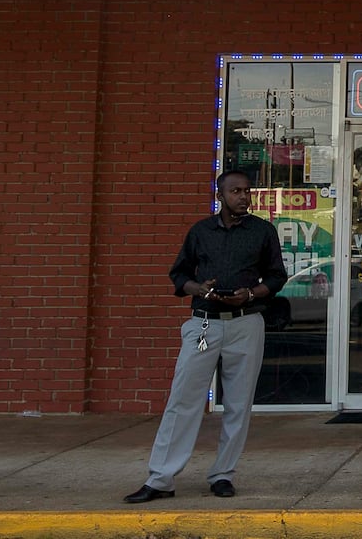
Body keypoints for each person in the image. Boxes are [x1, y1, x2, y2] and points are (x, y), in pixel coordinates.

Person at [123, 170, 288, 503]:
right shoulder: (200, 231)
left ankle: (223, 474)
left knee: (238, 404)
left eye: (247, 191)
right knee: (183, 401)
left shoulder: (263, 231)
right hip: (203, 324)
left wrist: (252, 294)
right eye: (236, 191)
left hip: (246, 322)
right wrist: (196, 288)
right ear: (220, 195)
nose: (244, 197)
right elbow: (180, 273)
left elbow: (276, 276)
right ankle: (160, 479)